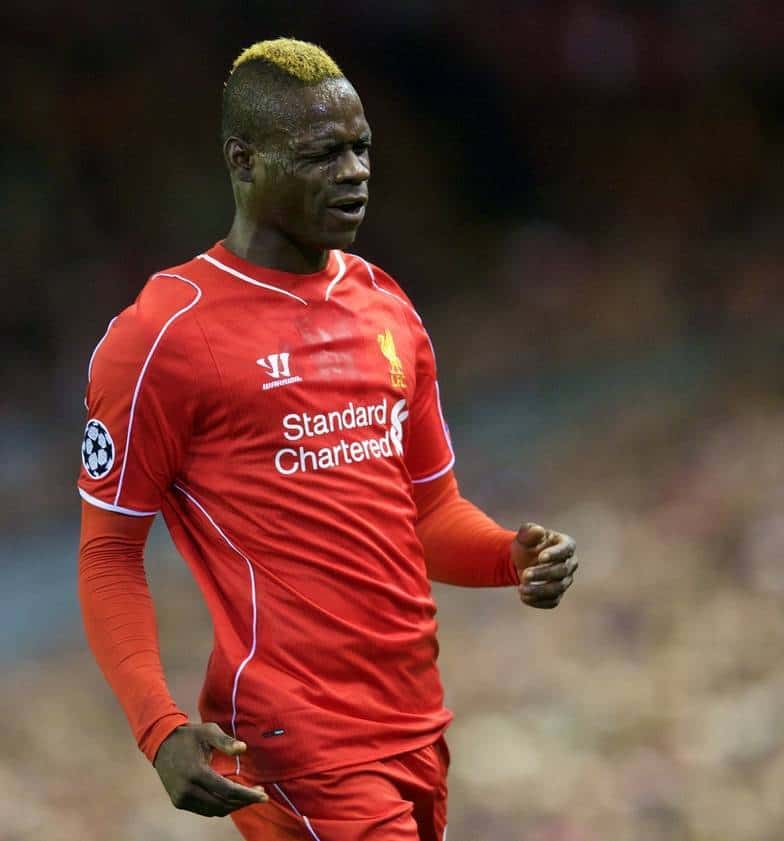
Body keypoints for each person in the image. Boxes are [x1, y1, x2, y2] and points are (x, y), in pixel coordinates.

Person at [76, 38, 578, 841]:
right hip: (295, 744)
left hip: (415, 725)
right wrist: (157, 724)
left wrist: (506, 557)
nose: (355, 172)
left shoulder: (386, 306)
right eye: (323, 154)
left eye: (362, 147)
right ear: (244, 161)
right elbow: (108, 552)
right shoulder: (164, 335)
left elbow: (428, 512)